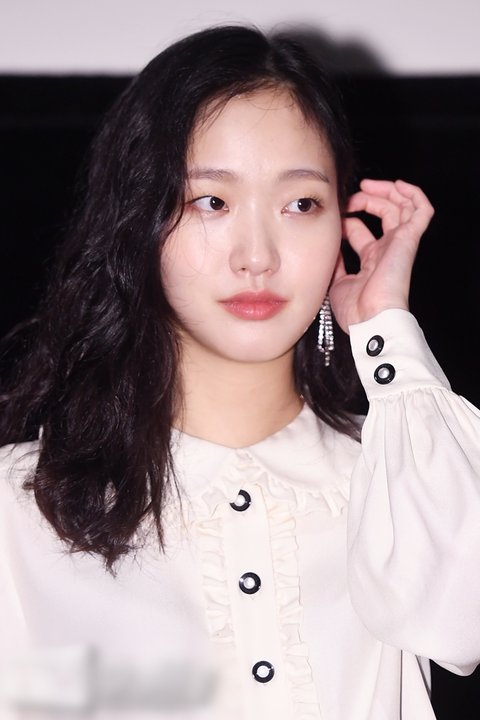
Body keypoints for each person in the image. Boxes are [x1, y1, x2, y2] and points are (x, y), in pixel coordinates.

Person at [0, 24, 479, 720]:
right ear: (139, 220)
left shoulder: (399, 482)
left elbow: (463, 626)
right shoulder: (22, 508)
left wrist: (386, 331)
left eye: (301, 204)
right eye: (212, 202)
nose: (257, 255)